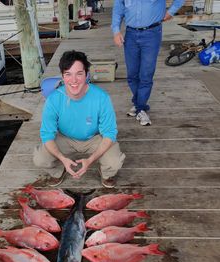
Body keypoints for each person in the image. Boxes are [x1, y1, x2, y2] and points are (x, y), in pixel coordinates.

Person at [33, 50, 125, 188]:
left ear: (86, 75)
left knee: (114, 162)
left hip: (94, 138)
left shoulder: (101, 97)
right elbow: (47, 135)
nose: (74, 80)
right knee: (40, 159)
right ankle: (59, 171)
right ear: (63, 77)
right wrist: (63, 159)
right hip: (64, 137)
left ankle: (105, 173)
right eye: (68, 74)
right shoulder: (53, 99)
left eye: (79, 74)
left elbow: (109, 133)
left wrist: (91, 160)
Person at [112, 0, 185, 126]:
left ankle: (140, 109)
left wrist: (171, 11)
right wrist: (116, 31)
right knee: (132, 74)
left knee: (146, 74)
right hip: (131, 34)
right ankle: (139, 104)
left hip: (152, 33)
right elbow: (118, 9)